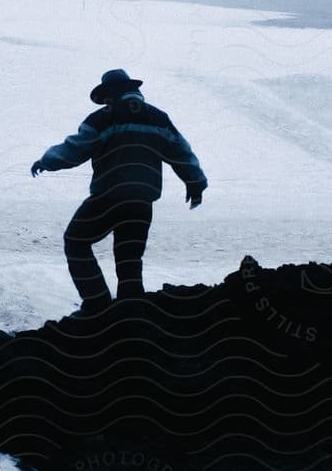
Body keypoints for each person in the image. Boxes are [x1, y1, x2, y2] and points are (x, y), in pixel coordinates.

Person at [31, 68, 206, 313]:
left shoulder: (104, 118)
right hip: (143, 201)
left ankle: (97, 303)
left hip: (110, 195)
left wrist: (47, 161)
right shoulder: (158, 118)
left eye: (105, 97)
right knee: (129, 258)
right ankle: (131, 312)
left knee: (76, 241)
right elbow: (181, 152)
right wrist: (195, 183)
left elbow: (77, 148)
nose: (104, 102)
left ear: (111, 94)